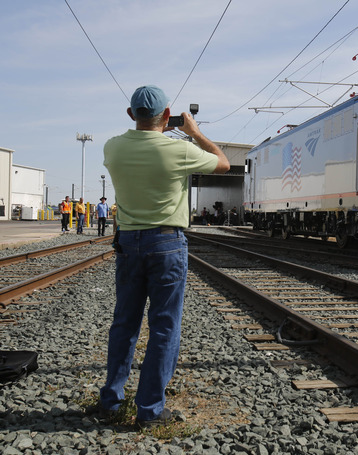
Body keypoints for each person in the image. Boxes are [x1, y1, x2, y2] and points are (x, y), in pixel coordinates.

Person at [99, 85, 229, 428]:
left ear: (130, 115)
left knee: (124, 323)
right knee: (164, 327)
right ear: (168, 116)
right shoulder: (178, 151)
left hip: (128, 243)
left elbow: (140, 142)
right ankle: (149, 412)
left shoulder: (112, 148)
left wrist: (159, 129)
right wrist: (194, 131)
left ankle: (110, 401)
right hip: (166, 244)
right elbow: (223, 163)